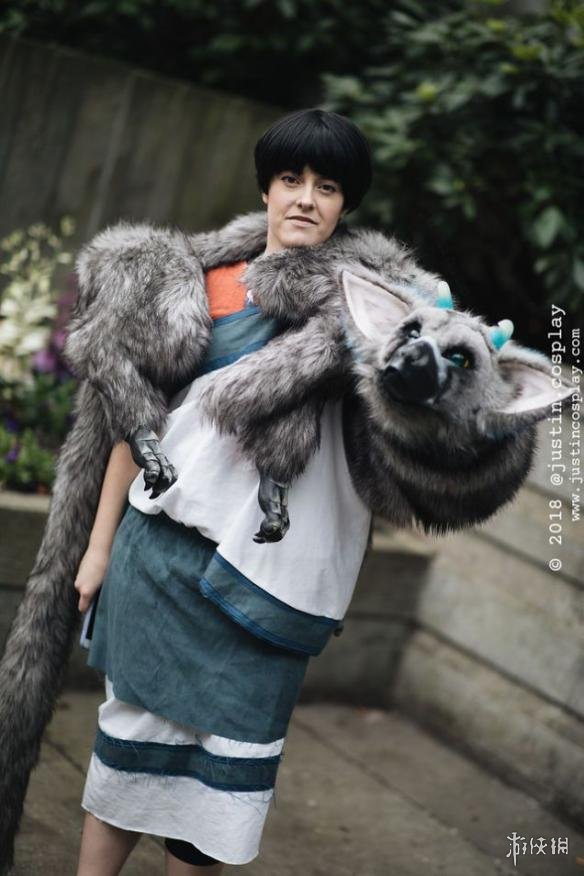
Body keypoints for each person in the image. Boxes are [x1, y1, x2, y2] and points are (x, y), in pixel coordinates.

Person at [74, 108, 375, 875]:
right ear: (266, 188)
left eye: (327, 186)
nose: (305, 198)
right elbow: (135, 427)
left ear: (346, 204)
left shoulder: (361, 313)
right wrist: (99, 550)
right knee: (127, 757)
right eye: (290, 179)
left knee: (223, 781)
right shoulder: (199, 288)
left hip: (266, 586)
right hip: (159, 561)